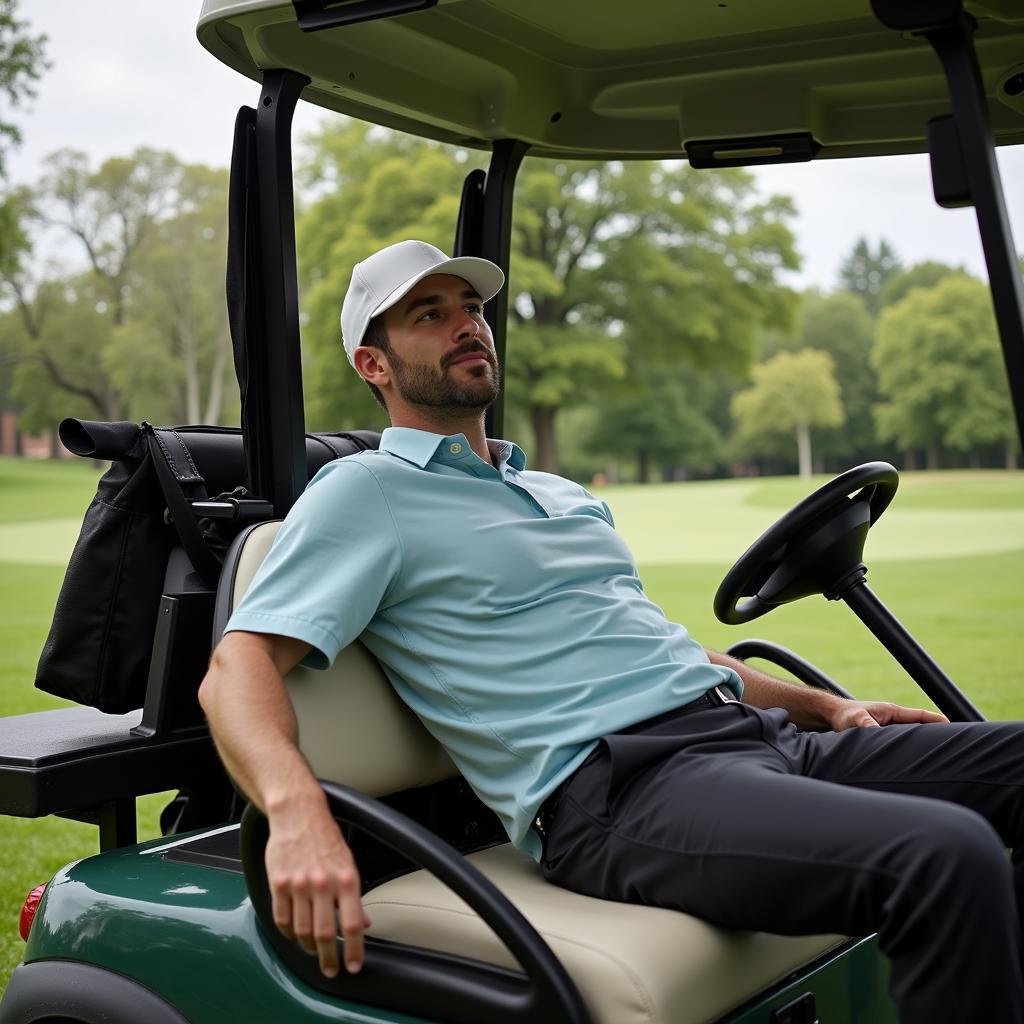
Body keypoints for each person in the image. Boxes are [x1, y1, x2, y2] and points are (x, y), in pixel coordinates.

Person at [199, 239, 1024, 1024]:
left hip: (752, 742)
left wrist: (825, 706)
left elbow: (659, 650)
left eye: (472, 307)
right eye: (428, 315)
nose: (466, 324)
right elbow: (236, 667)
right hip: (626, 791)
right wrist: (295, 808)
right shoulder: (365, 491)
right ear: (373, 365)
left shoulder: (559, 493)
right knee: (942, 856)